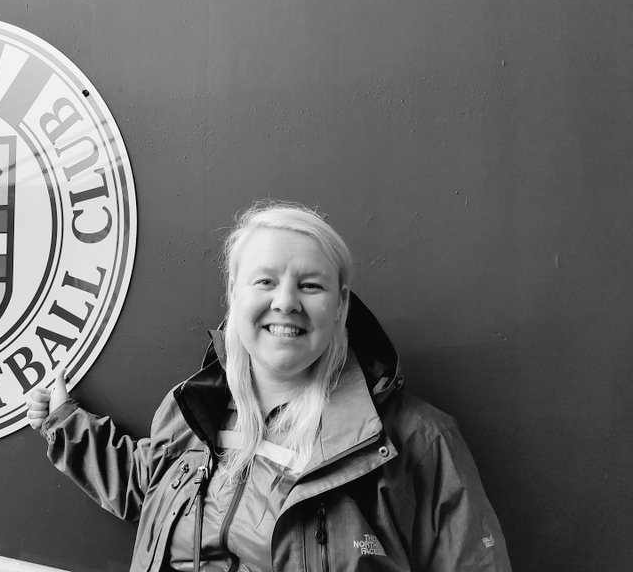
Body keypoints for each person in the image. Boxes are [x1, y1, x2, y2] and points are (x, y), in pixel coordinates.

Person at [27, 201, 513, 571]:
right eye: (264, 282)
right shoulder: (195, 409)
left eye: (310, 285)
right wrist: (63, 423)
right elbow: (146, 486)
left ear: (341, 305)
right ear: (234, 295)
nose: (286, 302)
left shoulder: (419, 442)